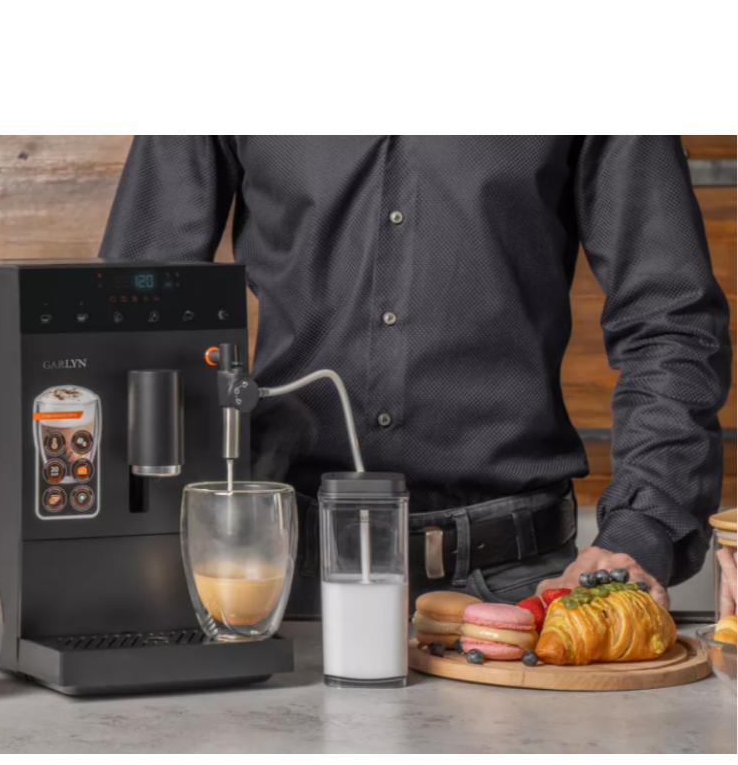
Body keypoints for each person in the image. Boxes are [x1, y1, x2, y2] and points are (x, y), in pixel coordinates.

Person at [100, 137, 731, 615]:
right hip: (278, 575)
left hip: (522, 587)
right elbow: (132, 310)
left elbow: (668, 319)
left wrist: (641, 530)